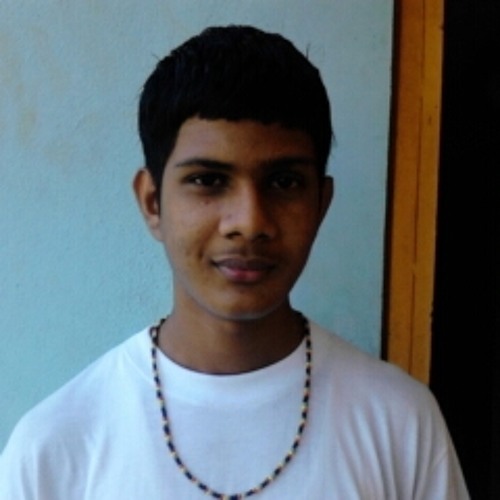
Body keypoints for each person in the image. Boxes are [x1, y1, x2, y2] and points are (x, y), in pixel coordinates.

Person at [0, 25, 469, 499]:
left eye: (284, 182)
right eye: (208, 180)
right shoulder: (55, 449)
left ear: (321, 204)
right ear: (153, 203)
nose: (249, 222)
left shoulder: (399, 424)